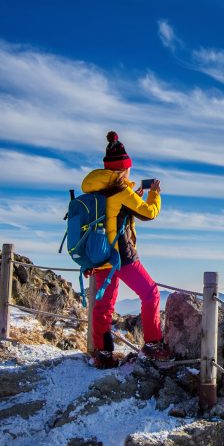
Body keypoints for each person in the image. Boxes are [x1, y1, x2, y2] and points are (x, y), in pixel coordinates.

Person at [82, 131, 170, 368]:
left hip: (99, 254)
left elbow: (113, 213)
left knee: (103, 305)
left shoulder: (95, 189)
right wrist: (154, 194)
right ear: (123, 169)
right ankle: (152, 344)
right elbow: (149, 213)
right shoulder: (121, 191)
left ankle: (102, 354)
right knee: (150, 293)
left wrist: (134, 197)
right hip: (121, 255)